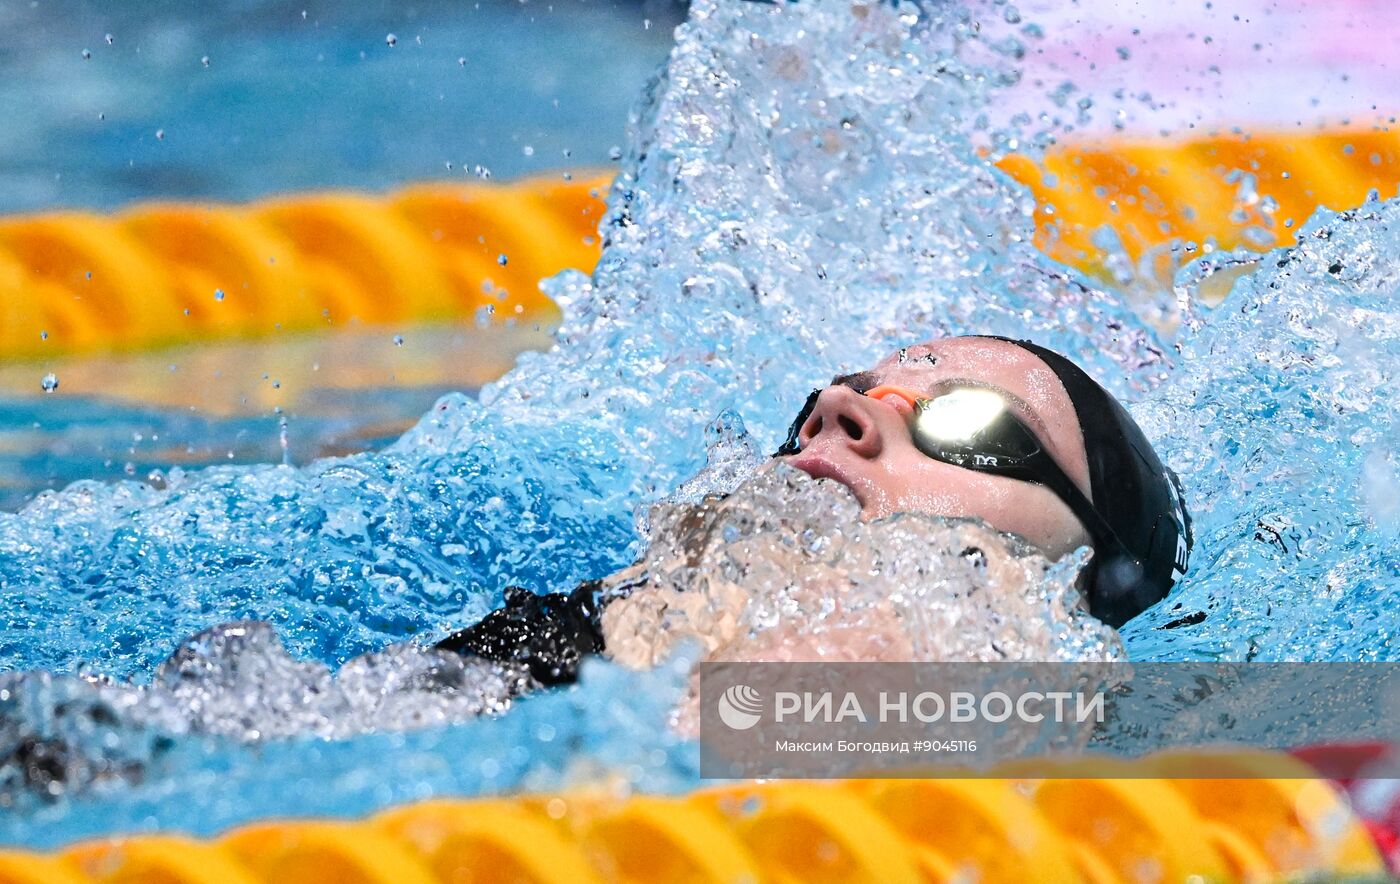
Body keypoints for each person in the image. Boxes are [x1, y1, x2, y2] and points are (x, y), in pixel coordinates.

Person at [435, 335, 1191, 683]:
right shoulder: (515, 652)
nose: (836, 409)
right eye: (830, 398)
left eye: (975, 425)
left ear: (1103, 579)